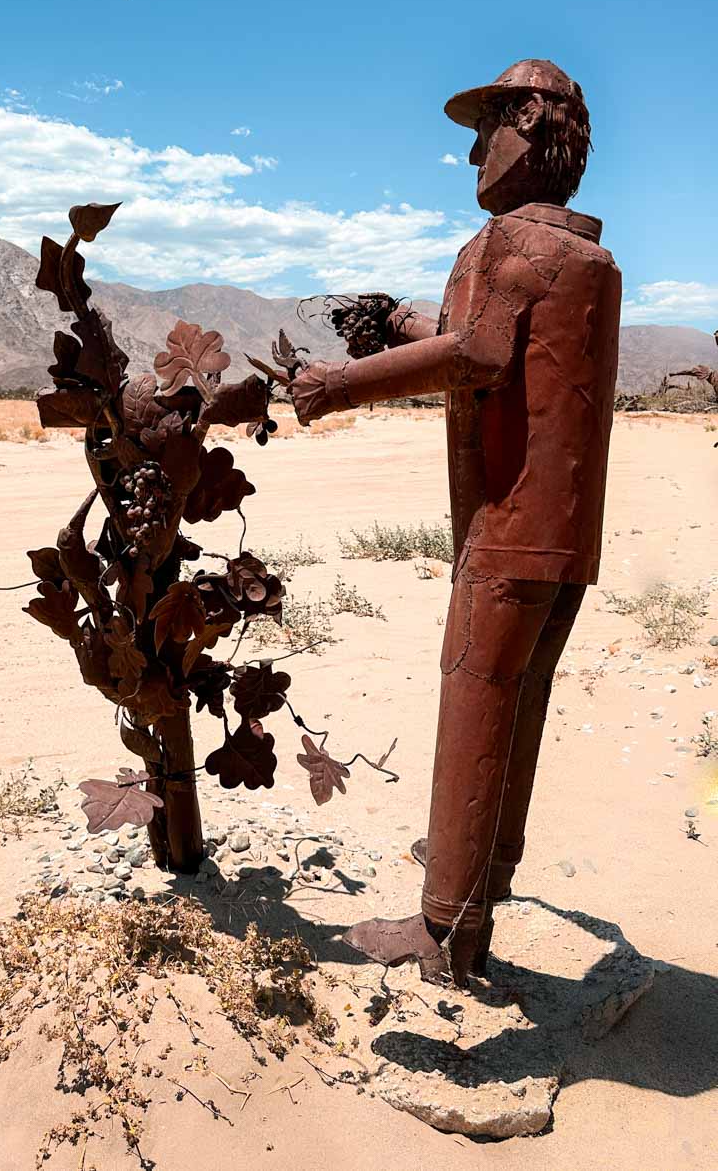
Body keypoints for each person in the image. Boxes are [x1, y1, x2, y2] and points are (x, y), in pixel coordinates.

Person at [289, 60, 622, 983]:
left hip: (505, 525)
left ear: (529, 124)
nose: (474, 153)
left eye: (487, 131)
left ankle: (445, 929)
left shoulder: (509, 245)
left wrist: (335, 384)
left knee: (475, 693)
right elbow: (490, 341)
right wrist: (398, 323)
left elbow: (476, 354)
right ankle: (485, 885)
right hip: (566, 532)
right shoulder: (587, 260)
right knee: (520, 703)